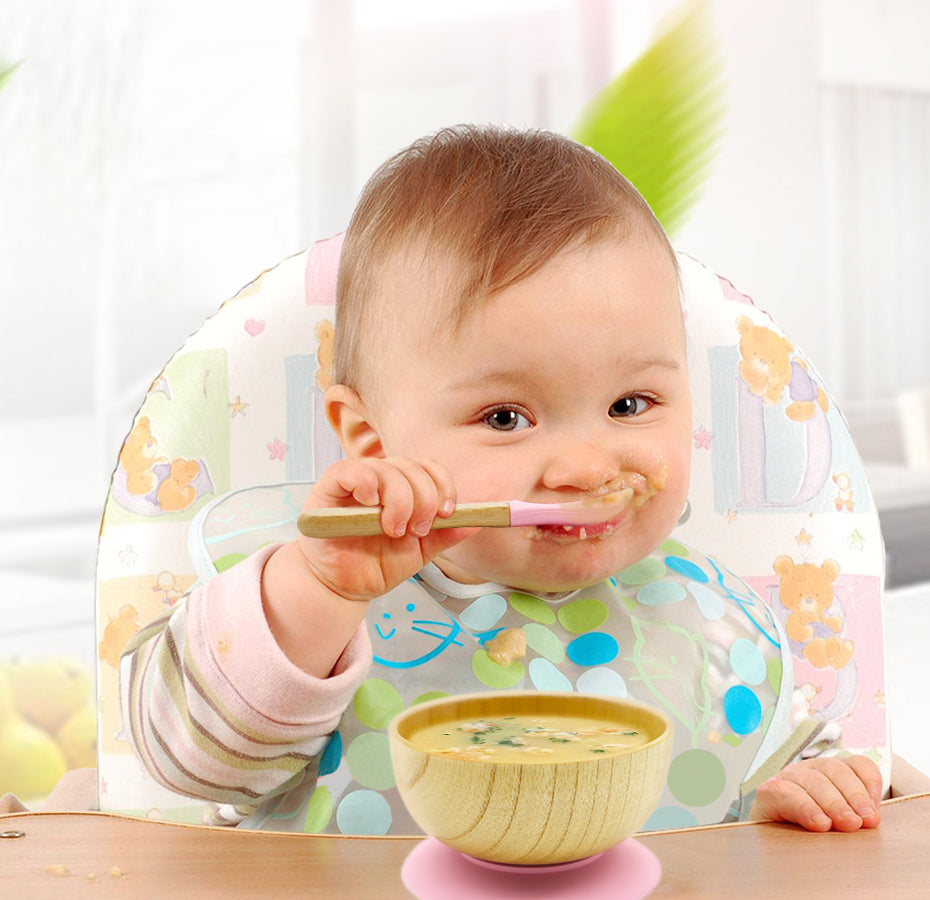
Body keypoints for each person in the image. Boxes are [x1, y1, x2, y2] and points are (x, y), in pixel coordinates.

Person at [118, 125, 883, 835]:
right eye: (506, 418)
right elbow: (186, 760)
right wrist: (318, 595)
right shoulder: (319, 604)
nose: (585, 466)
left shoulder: (709, 620)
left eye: (630, 404)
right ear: (371, 438)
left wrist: (814, 788)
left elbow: (775, 766)